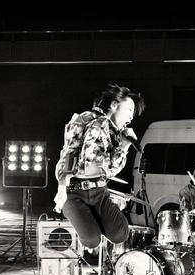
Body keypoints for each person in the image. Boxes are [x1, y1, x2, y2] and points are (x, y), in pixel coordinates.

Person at [53, 83, 145, 250]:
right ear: (114, 105)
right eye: (129, 110)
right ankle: (90, 221)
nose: (131, 117)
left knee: (119, 234)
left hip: (97, 191)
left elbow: (72, 155)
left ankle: (94, 221)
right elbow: (99, 167)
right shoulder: (100, 125)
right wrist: (124, 147)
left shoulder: (87, 119)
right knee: (93, 240)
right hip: (75, 192)